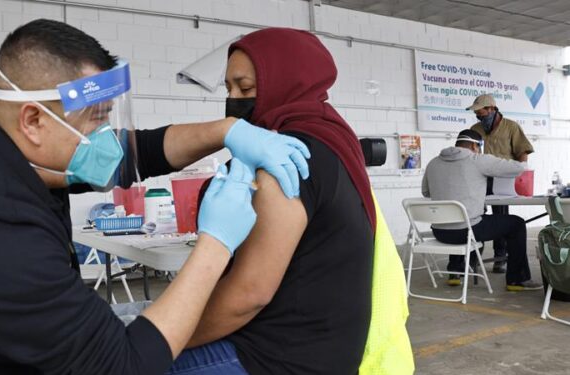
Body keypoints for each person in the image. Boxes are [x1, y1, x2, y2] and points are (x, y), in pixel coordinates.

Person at [0, 20, 312, 374]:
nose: (107, 137)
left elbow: (134, 152)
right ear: (33, 120)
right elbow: (123, 366)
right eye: (96, 120)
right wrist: (215, 242)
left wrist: (227, 131)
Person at [166, 28, 413, 375]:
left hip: (278, 357)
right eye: (229, 89)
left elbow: (248, 295)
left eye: (246, 88)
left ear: (285, 82)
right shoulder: (333, 138)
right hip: (324, 346)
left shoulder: (286, 159)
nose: (234, 99)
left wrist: (160, 340)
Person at [421, 129, 541, 291]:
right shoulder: (477, 160)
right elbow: (516, 168)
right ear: (473, 145)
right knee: (516, 224)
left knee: (462, 218)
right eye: (479, 147)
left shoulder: (433, 163)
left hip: (440, 231)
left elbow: (426, 192)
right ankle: (516, 280)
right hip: (466, 231)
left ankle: (455, 272)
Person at [467, 94, 534, 273]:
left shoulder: (511, 127)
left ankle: (501, 257)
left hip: (503, 180)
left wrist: (521, 173)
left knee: (501, 217)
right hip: (479, 178)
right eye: (477, 115)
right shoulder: (475, 129)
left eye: (481, 114)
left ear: (491, 109)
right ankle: (473, 258)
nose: (478, 117)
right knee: (474, 215)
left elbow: (522, 152)